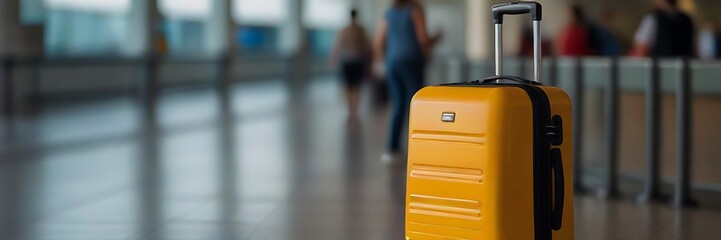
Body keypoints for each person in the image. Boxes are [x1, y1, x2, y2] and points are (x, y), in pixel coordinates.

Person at [374, 0, 441, 163]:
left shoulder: (389, 13)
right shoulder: (415, 10)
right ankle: (418, 148)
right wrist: (437, 37)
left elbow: (378, 41)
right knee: (416, 105)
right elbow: (423, 38)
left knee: (398, 105)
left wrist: (384, 60)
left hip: (393, 63)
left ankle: (392, 148)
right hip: (411, 62)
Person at [330, 9, 373, 122]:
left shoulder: (344, 30)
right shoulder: (361, 30)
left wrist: (334, 59)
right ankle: (355, 108)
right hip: (358, 61)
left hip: (347, 61)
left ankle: (350, 109)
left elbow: (337, 46)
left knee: (347, 85)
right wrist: (369, 61)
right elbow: (367, 46)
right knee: (357, 85)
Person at [630, 0, 694, 57]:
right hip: (684, 67)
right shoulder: (686, 20)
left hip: (659, 67)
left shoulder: (654, 19)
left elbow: (642, 49)